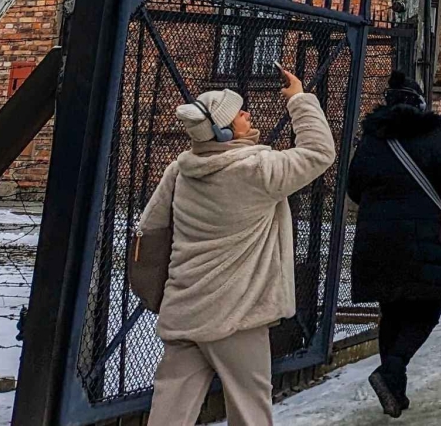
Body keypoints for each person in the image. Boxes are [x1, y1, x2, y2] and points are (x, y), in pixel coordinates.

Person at [142, 66, 335, 426]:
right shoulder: (256, 171)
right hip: (237, 315)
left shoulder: (180, 172)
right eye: (238, 113)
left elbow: (151, 229)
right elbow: (319, 152)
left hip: (185, 306)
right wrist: (299, 100)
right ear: (223, 130)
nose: (246, 113)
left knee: (170, 411)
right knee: (250, 408)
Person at [347, 71, 441, 417]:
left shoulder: (371, 138)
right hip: (424, 237)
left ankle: (394, 391)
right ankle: (392, 371)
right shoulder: (432, 135)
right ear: (419, 102)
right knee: (428, 308)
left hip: (376, 239)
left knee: (393, 311)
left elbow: (354, 187)